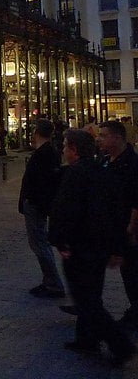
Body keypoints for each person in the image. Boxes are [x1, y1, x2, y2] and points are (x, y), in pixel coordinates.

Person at [49, 129, 135, 366]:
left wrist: (58, 239)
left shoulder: (76, 174)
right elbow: (117, 212)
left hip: (81, 246)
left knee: (87, 300)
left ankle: (121, 345)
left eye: (66, 146)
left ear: (74, 150)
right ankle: (86, 339)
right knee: (91, 294)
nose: (64, 151)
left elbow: (64, 211)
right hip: (99, 246)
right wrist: (118, 246)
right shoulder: (102, 171)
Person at [18, 119, 66, 299]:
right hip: (36, 203)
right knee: (38, 243)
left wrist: (33, 200)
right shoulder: (46, 152)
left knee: (39, 243)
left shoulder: (45, 153)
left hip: (36, 204)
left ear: (37, 133)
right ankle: (50, 280)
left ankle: (53, 283)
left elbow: (43, 182)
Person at [97, 120, 138, 328]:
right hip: (110, 228)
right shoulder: (105, 161)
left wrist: (131, 228)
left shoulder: (131, 164)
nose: (99, 139)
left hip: (126, 229)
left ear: (117, 137)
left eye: (103, 135)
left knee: (131, 271)